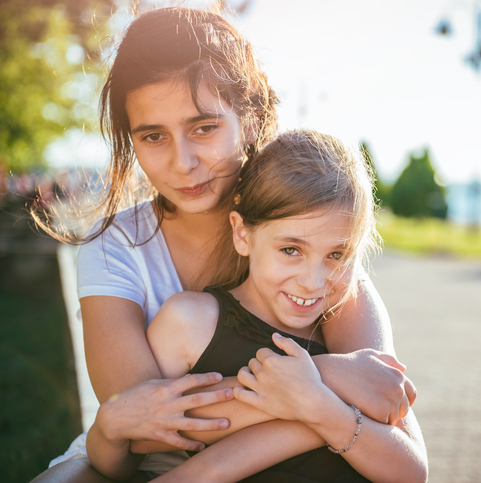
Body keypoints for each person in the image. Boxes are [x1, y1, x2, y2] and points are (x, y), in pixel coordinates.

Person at [31, 7, 415, 482]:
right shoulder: (114, 248)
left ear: (250, 119)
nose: (183, 162)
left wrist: (317, 400)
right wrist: (329, 381)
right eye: (154, 137)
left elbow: (385, 402)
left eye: (204, 128)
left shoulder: (303, 238)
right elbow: (146, 430)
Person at [145, 129, 427, 482]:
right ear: (242, 234)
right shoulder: (190, 322)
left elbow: (411, 472)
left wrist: (319, 407)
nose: (313, 281)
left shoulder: (344, 316)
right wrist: (330, 383)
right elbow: (146, 433)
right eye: (291, 250)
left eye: (337, 255)